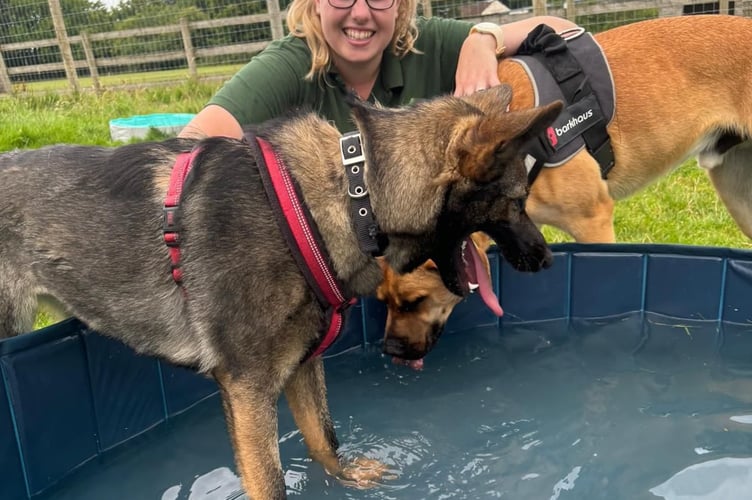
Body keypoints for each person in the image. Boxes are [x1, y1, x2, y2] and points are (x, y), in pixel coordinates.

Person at [178, 0, 576, 140]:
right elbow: (190, 142)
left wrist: (485, 38)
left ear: (401, 6)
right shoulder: (290, 64)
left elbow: (566, 31)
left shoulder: (427, 44)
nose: (361, 13)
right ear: (316, 3)